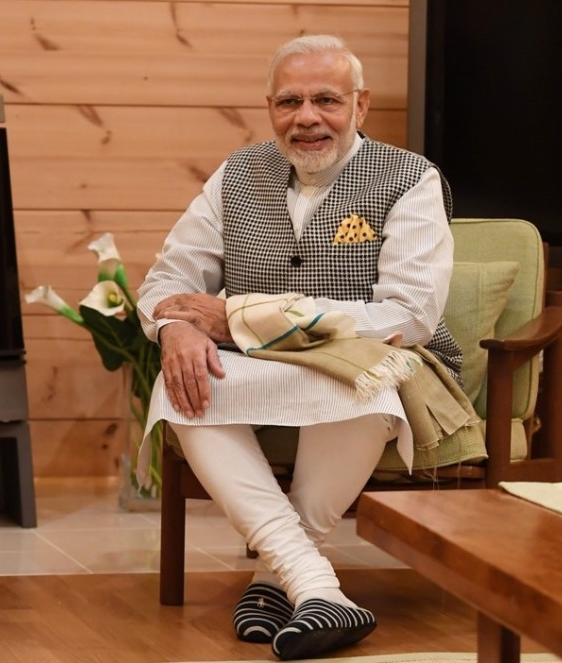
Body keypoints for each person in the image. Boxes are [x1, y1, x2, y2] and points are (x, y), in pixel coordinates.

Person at [137, 35, 460, 660]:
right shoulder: (236, 175)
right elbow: (166, 281)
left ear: (360, 106)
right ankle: (316, 586)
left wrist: (244, 319)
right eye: (289, 101)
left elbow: (409, 314)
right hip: (263, 367)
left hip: (375, 361)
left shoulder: (411, 178)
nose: (306, 117)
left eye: (326, 100)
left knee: (368, 375)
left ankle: (277, 577)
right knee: (179, 384)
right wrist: (174, 329)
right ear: (269, 107)